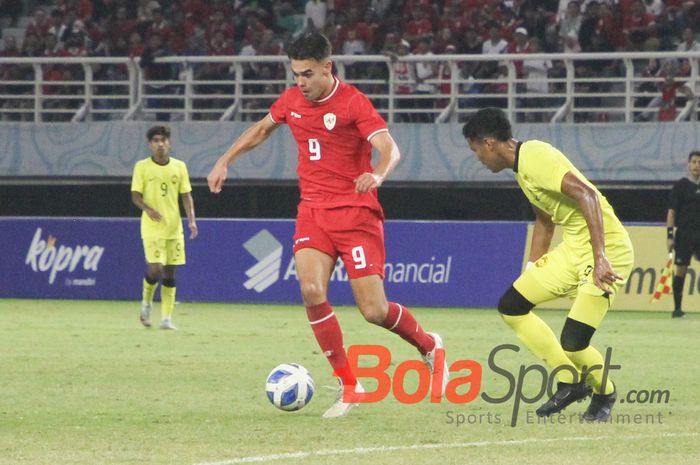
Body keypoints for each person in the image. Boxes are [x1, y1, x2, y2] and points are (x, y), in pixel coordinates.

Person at [207, 32, 447, 418]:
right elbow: (261, 129)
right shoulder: (291, 101)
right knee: (311, 288)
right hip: (313, 212)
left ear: (327, 68)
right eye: (295, 75)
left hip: (355, 214)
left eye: (307, 74)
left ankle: (429, 345)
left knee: (373, 310)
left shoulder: (353, 102)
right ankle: (350, 386)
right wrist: (225, 160)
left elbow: (389, 147)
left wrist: (378, 174)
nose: (300, 82)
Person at [462, 108, 634, 422]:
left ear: (488, 143)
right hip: (574, 250)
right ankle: (569, 380)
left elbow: (588, 196)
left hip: (608, 249)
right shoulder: (522, 168)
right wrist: (531, 269)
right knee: (512, 305)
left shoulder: (536, 157)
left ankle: (604, 391)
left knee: (574, 341)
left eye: (475, 150)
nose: (478, 158)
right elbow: (545, 219)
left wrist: (600, 257)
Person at [131, 126, 198, 330]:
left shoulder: (179, 167)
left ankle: (167, 318)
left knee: (170, 273)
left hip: (173, 228)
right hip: (151, 227)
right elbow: (135, 195)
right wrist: (148, 209)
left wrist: (192, 221)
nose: (160, 144)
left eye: (163, 140)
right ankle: (146, 303)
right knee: (155, 268)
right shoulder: (142, 167)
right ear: (150, 144)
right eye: (156, 140)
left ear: (169, 143)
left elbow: (186, 196)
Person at [666, 150, 700, 318]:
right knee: (681, 270)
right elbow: (672, 212)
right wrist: (670, 235)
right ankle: (677, 309)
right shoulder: (681, 186)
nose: (697, 165)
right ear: (688, 164)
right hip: (685, 234)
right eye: (694, 162)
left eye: (699, 162)